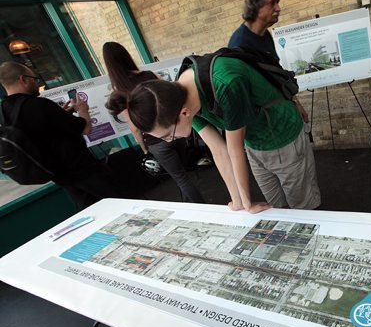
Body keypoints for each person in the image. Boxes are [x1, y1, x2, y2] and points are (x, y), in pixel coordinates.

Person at [126, 56, 321, 215]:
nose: (170, 140)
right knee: (276, 207)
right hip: (254, 141)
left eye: (169, 135)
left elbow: (233, 149)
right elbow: (219, 150)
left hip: (282, 134)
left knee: (301, 205)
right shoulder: (177, 100)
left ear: (183, 113)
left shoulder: (225, 83)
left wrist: (247, 203)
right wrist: (238, 201)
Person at [0, 61, 121, 209]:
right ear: (22, 79)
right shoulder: (39, 105)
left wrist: (62, 115)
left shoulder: (3, 112)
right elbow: (86, 129)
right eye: (34, 79)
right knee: (120, 204)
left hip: (60, 176)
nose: (37, 83)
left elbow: (40, 131)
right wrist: (83, 110)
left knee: (96, 212)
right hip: (84, 170)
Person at [103, 41, 205, 204]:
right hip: (175, 128)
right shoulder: (149, 75)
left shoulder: (119, 91)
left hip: (155, 142)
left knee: (180, 178)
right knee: (184, 174)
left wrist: (144, 149)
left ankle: (201, 209)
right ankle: (193, 206)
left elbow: (135, 127)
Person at [228, 0, 309, 123]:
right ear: (256, 6)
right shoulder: (239, 45)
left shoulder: (265, 34)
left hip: (285, 117)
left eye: (277, 2)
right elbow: (242, 98)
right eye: (272, 3)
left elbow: (278, 75)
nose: (278, 8)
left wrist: (296, 104)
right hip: (269, 130)